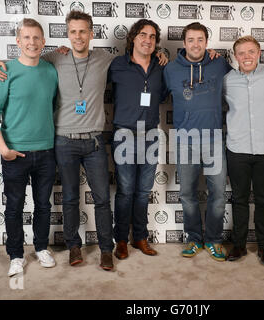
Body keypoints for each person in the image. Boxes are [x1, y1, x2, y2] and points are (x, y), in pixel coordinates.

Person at [0, 11, 115, 270]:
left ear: (91, 34)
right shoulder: (54, 59)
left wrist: (159, 56)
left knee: (101, 198)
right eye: (73, 31)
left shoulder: (104, 59)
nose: (78, 36)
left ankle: (106, 249)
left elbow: (134, 63)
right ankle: (71, 247)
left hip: (90, 143)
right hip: (62, 142)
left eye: (83, 31)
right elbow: (25, 60)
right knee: (67, 199)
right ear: (67, 35)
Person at [0, 18, 58, 276]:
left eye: (37, 38)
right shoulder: (5, 70)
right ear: (18, 41)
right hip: (14, 153)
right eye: (26, 38)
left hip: (47, 152)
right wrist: (4, 149)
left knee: (43, 205)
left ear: (43, 41)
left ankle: (40, 247)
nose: (32, 42)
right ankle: (15, 255)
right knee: (14, 207)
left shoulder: (51, 71)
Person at [164, 22, 232, 261]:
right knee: (187, 194)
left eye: (200, 39)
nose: (196, 44)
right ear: (184, 43)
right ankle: (194, 239)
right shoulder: (171, 69)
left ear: (206, 42)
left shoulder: (220, 64)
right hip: (185, 140)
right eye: (191, 40)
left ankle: (213, 240)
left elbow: (243, 80)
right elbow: (157, 93)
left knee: (218, 194)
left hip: (214, 138)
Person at [110, 19, 168, 260]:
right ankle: (121, 240)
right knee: (125, 191)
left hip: (151, 135)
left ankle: (140, 238)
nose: (148, 40)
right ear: (133, 38)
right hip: (124, 134)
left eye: (152, 36)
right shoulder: (116, 65)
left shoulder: (163, 67)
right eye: (143, 35)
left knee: (143, 191)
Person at [223, 36, 264, 266]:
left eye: (251, 52)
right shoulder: (227, 80)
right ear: (235, 56)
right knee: (238, 199)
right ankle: (238, 245)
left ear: (259, 54)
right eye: (241, 53)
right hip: (237, 149)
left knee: (263, 200)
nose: (246, 56)